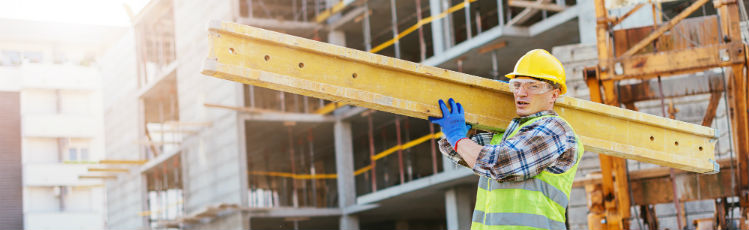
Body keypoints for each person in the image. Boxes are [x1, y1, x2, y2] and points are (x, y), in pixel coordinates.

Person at [429, 49, 583, 230]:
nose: (521, 93)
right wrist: (459, 134)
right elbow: (456, 151)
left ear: (554, 94)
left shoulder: (555, 130)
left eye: (533, 86)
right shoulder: (507, 136)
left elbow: (499, 164)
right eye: (516, 85)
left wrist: (458, 138)